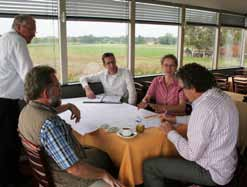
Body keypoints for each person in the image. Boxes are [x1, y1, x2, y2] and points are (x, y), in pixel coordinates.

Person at [19, 65, 125, 187]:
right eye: (57, 86)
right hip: (65, 178)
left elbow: (51, 111)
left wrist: (69, 106)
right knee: (106, 169)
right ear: (46, 93)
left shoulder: (27, 111)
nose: (60, 90)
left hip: (51, 168)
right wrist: (104, 175)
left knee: (102, 156)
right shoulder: (50, 125)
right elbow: (75, 169)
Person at [143, 63, 239, 187]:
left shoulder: (204, 109)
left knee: (150, 166)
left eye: (182, 88)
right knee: (171, 154)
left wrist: (170, 132)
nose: (182, 92)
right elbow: (203, 122)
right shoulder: (221, 96)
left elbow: (191, 154)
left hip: (213, 172)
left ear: (193, 88)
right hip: (227, 163)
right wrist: (175, 119)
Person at [0, 14, 36, 186]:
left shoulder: (4, 38)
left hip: (3, 100)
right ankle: (11, 181)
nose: (34, 33)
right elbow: (28, 74)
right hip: (5, 103)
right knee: (10, 144)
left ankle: (10, 177)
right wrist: (36, 103)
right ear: (19, 27)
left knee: (5, 143)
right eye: (31, 29)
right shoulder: (17, 41)